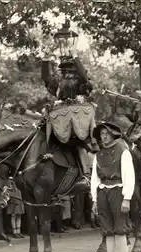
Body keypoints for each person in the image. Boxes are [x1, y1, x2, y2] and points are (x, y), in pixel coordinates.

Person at [41, 49, 98, 194]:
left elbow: (85, 78)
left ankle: (86, 176)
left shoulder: (82, 85)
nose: (67, 75)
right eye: (65, 71)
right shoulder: (59, 86)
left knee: (78, 143)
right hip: (59, 124)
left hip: (78, 125)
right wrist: (46, 60)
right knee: (41, 133)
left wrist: (76, 57)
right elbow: (46, 78)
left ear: (76, 73)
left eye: (71, 71)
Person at [90, 121, 135, 252]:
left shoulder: (123, 151)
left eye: (106, 133)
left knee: (120, 228)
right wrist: (95, 200)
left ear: (113, 134)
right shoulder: (99, 155)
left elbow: (129, 175)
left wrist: (127, 198)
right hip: (103, 192)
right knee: (107, 229)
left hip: (118, 191)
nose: (104, 137)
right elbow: (94, 179)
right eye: (102, 134)